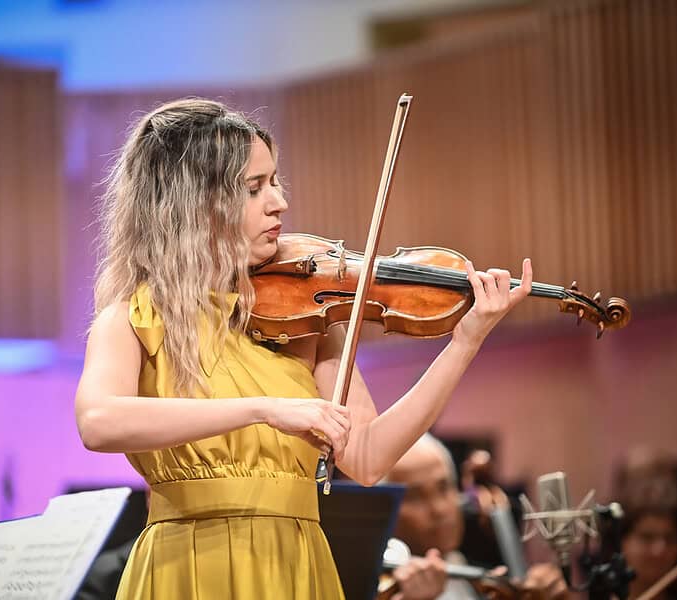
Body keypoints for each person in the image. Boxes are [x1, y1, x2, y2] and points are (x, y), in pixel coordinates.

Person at [74, 98, 533, 599]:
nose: (279, 203)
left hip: (295, 566)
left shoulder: (306, 322)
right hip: (186, 567)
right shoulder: (133, 318)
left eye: (274, 181)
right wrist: (265, 410)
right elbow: (98, 422)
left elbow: (367, 457)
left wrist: (465, 342)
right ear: (194, 205)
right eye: (254, 189)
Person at [382, 434, 567, 599]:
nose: (438, 509)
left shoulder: (468, 571)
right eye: (414, 497)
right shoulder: (368, 587)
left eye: (444, 487)